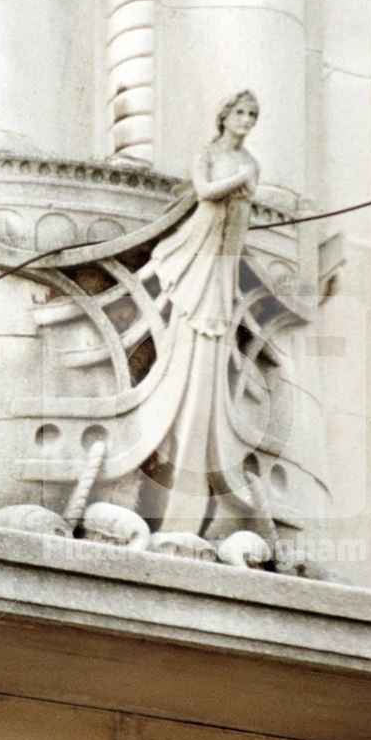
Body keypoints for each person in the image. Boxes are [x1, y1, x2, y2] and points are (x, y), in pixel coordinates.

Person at [149, 90, 261, 534]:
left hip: (223, 259)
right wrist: (239, 180)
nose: (246, 120)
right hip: (197, 247)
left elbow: (243, 211)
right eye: (240, 112)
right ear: (224, 115)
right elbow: (205, 191)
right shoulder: (211, 154)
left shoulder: (249, 159)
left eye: (252, 114)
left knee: (211, 331)